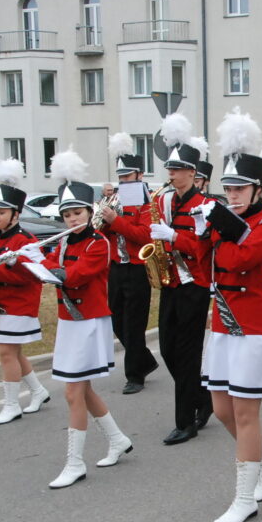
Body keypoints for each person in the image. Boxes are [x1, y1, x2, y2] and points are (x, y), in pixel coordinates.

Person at [196, 108, 262, 522]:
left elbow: (241, 258)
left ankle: (245, 497)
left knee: (246, 413)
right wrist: (202, 238)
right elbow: (206, 271)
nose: (232, 195)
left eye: (240, 189)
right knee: (221, 410)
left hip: (255, 327)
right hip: (223, 322)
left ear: (258, 189)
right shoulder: (222, 221)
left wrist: (218, 237)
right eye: (228, 188)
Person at [25, 151, 130, 489]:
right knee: (82, 391)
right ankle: (117, 440)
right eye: (67, 214)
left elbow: (74, 276)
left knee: (73, 393)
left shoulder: (98, 244)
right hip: (69, 323)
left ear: (89, 212)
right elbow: (47, 268)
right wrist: (24, 258)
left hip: (89, 324)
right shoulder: (62, 243)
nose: (72, 219)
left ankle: (75, 463)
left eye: (77, 213)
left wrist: (43, 265)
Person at [150, 114, 213, 446]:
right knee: (167, 350)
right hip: (171, 282)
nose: (171, 175)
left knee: (187, 355)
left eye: (176, 170)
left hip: (195, 286)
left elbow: (202, 248)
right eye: (169, 170)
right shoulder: (165, 201)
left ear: (192, 172)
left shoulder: (205, 205)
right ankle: (202, 397)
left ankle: (185, 422)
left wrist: (174, 236)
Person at [0, 159, 50, 425]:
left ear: (16, 215)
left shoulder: (26, 241)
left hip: (19, 303)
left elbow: (33, 275)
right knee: (13, 352)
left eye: (1, 212)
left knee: (6, 353)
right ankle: (38, 391)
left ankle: (11, 405)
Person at [98, 133, 160, 395]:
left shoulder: (147, 202)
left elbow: (145, 235)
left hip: (137, 267)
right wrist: (102, 222)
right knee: (116, 321)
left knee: (134, 324)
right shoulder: (115, 199)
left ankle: (135, 375)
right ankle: (145, 361)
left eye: (128, 176)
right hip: (116, 266)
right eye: (120, 176)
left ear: (140, 175)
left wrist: (116, 221)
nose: (123, 181)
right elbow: (102, 233)